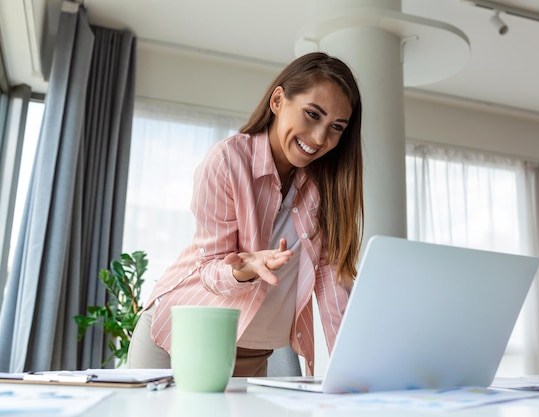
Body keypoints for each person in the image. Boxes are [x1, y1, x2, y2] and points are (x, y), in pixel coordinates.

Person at [127, 52, 364, 377]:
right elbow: (210, 269)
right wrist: (244, 271)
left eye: (336, 127)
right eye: (312, 114)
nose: (321, 138)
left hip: (255, 350)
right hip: (182, 340)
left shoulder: (325, 189)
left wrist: (355, 368)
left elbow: (331, 281)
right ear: (278, 100)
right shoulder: (228, 161)